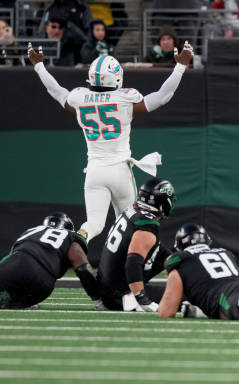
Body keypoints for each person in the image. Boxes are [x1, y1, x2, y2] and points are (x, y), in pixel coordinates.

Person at [28, 40, 193, 243]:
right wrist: (179, 68)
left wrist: (39, 67)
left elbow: (57, 91)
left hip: (94, 171)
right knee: (127, 226)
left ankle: (72, 244)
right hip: (119, 170)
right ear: (116, 78)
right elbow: (162, 96)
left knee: (93, 225)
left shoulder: (80, 98)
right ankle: (121, 267)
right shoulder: (124, 98)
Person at [96, 177, 176, 312]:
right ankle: (132, 296)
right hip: (119, 293)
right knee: (183, 296)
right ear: (163, 202)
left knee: (166, 255)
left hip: (106, 287)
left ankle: (131, 293)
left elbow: (159, 252)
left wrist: (178, 264)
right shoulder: (148, 223)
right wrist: (142, 298)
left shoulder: (132, 210)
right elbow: (133, 262)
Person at [0, 212, 101, 309]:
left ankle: (14, 299)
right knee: (21, 299)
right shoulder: (71, 235)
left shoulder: (31, 231)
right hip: (41, 281)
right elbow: (82, 268)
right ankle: (22, 301)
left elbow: (11, 255)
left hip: (12, 266)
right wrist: (98, 299)